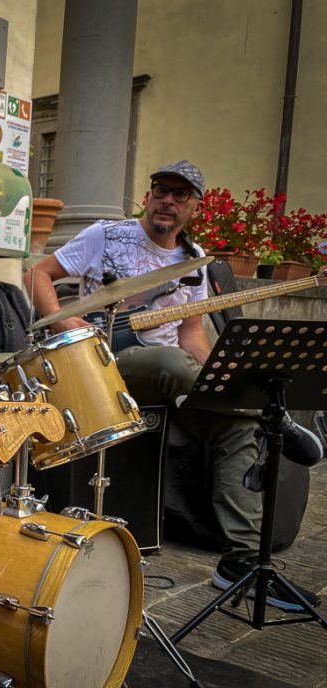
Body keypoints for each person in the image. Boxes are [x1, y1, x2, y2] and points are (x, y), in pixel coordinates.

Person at [23, 159, 322, 612]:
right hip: (106, 365)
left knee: (235, 425)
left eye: (180, 194)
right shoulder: (105, 235)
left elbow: (192, 336)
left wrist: (227, 382)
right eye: (161, 189)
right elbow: (37, 274)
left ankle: (239, 561)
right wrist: (69, 321)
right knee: (167, 361)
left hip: (171, 372)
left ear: (194, 207)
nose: (168, 199)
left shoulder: (194, 261)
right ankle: (267, 414)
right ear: (148, 196)